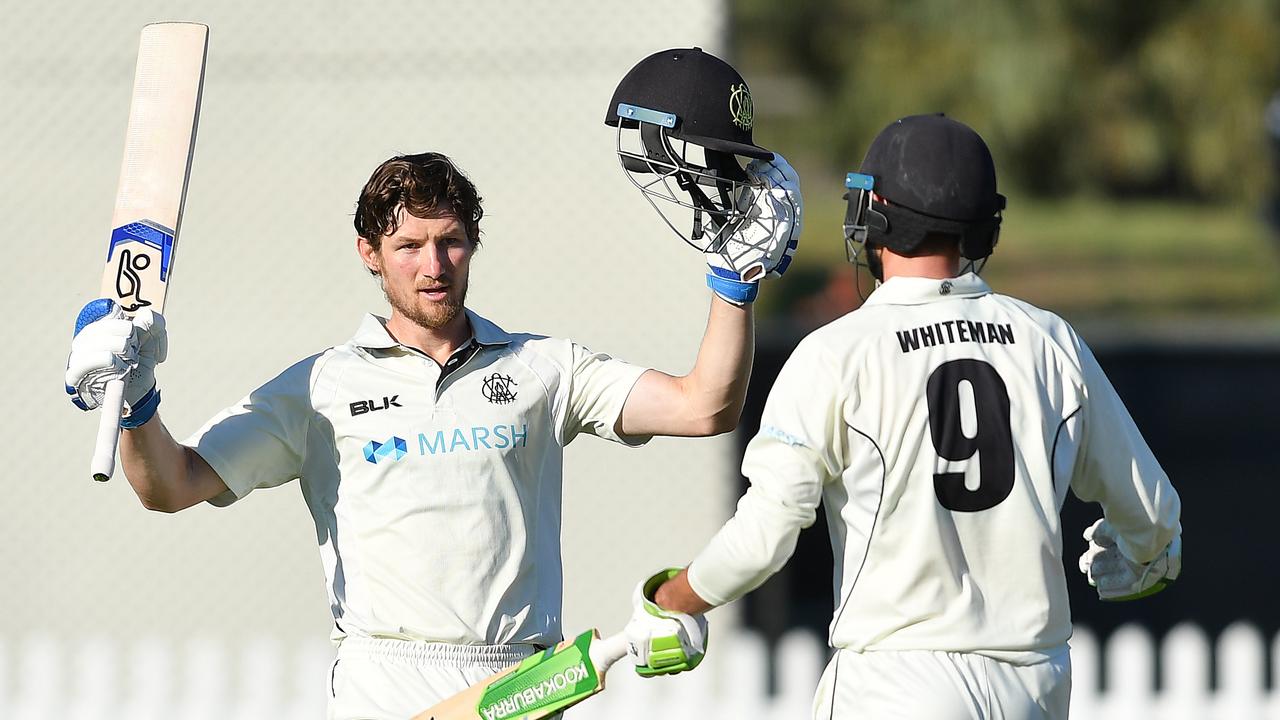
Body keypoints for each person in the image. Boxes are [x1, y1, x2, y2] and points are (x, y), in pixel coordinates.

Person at [64, 49, 800, 720]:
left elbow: (705, 406)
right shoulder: (318, 387)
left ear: (473, 242)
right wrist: (137, 403)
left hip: (523, 685)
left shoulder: (543, 367)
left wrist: (733, 289)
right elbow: (169, 486)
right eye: (409, 245)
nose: (433, 264)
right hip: (383, 683)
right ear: (370, 255)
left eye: (449, 240)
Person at [645, 114, 1182, 719]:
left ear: (873, 214)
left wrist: (673, 597)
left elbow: (766, 536)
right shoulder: (1050, 341)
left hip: (895, 684)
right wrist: (1144, 556)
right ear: (985, 226)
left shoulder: (836, 352)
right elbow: (1155, 516)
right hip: (1032, 687)